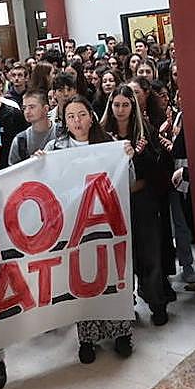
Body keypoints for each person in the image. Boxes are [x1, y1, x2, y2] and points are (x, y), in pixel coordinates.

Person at [45, 97, 136, 362]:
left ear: (91, 116)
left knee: (112, 274)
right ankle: (87, 337)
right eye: (70, 116)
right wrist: (40, 163)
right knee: (83, 278)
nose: (77, 121)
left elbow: (127, 182)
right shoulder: (56, 146)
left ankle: (121, 333)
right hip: (76, 223)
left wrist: (127, 159)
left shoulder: (108, 143)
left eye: (81, 114)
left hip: (107, 220)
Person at [101, 86, 169, 325]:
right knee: (121, 258)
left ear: (133, 107)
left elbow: (156, 168)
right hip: (114, 206)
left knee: (150, 254)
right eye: (116, 105)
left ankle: (156, 303)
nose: (120, 110)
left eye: (125, 105)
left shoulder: (144, 131)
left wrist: (137, 155)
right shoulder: (101, 133)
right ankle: (124, 305)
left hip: (142, 202)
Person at [8, 90, 55, 166]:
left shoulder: (61, 133)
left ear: (46, 109)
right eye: (24, 108)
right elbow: (13, 171)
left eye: (32, 107)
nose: (27, 111)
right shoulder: (20, 140)